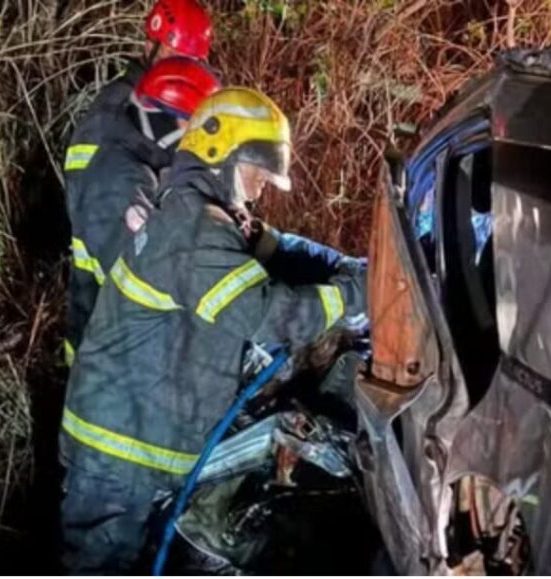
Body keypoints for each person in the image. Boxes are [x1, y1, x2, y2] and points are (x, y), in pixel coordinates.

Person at [59, 87, 367, 573]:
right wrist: (357, 295)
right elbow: (267, 315)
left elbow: (278, 247)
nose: (264, 185)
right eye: (257, 171)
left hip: (130, 442)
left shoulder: (200, 214)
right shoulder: (195, 229)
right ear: (218, 154)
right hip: (121, 451)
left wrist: (350, 268)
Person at [63, 0, 214, 365]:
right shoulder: (114, 117)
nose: (182, 68)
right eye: (173, 55)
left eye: (191, 61)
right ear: (149, 46)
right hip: (105, 313)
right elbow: (107, 209)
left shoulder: (174, 105)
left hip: (135, 320)